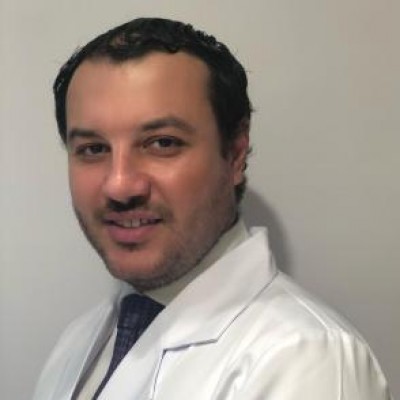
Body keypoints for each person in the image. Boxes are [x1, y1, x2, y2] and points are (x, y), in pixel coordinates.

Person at [33, 17, 392, 400]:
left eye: (163, 143)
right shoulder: (80, 339)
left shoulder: (309, 359)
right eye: (93, 149)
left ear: (234, 155)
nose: (119, 185)